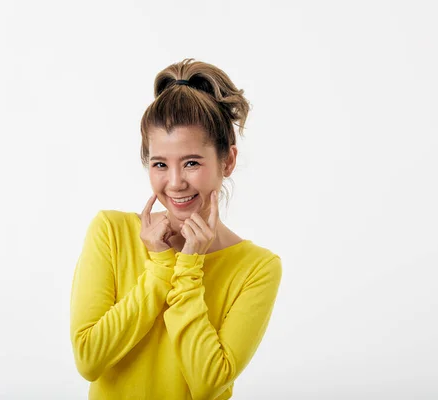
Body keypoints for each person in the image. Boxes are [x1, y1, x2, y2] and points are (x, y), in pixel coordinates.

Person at [70, 58, 282, 400]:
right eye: (159, 164)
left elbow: (210, 384)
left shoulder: (257, 268)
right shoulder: (110, 231)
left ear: (227, 161)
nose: (175, 183)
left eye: (192, 163)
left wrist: (188, 268)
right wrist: (158, 270)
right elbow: (88, 359)